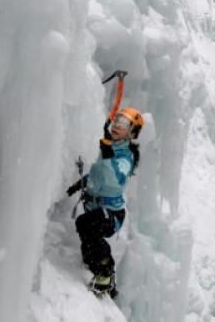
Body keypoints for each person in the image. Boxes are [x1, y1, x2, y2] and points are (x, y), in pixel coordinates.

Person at [66, 108, 143, 296]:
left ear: (132, 133)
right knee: (86, 233)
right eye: (117, 120)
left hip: (112, 214)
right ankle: (95, 267)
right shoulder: (108, 146)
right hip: (96, 207)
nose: (118, 125)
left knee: (86, 225)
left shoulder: (126, 156)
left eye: (124, 124)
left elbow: (115, 178)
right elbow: (97, 174)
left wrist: (107, 153)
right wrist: (81, 183)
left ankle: (106, 272)